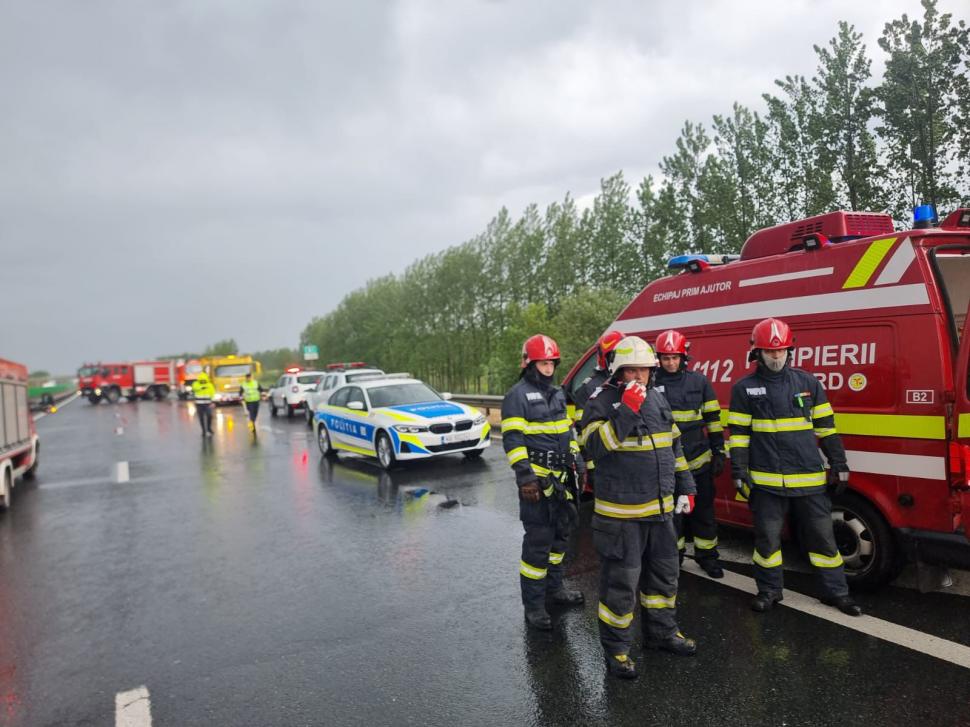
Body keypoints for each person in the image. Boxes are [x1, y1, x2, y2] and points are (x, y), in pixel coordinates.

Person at [578, 335, 697, 679]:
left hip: (660, 512)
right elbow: (596, 448)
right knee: (620, 586)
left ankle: (661, 633)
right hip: (622, 516)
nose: (638, 377)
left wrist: (686, 486)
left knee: (664, 577)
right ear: (618, 371)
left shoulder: (658, 399)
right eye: (631, 370)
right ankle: (616, 651)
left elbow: (674, 446)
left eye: (643, 370)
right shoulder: (600, 401)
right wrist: (627, 410)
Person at [728, 317, 861, 616]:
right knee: (767, 541)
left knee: (824, 539)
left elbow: (826, 428)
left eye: (781, 351)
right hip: (766, 483)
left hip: (809, 480)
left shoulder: (808, 383)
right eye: (770, 352)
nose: (776, 357)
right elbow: (738, 436)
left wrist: (839, 463)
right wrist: (739, 472)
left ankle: (837, 593)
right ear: (757, 353)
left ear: (791, 350)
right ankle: (770, 591)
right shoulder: (744, 389)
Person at [501, 334, 586, 632]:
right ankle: (534, 607)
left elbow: (568, 433)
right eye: (542, 362)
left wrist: (577, 460)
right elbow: (512, 440)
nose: (548, 367)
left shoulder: (559, 394)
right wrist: (525, 477)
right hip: (536, 484)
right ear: (528, 363)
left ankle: (555, 590)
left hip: (562, 482)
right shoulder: (517, 395)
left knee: (559, 541)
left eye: (551, 362)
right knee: (537, 547)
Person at [653, 329, 726, 578]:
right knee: (673, 517)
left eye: (675, 357)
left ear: (684, 357)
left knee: (704, 512)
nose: (670, 362)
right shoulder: (652, 385)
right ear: (659, 359)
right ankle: (675, 558)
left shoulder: (699, 382)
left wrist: (719, 450)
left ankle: (708, 557)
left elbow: (713, 419)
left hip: (698, 461)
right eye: (666, 358)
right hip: (668, 464)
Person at [192, 371, 215, 437]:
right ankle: (204, 431)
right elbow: (194, 389)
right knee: (201, 418)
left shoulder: (209, 385)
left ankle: (208, 428)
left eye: (204, 380)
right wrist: (201, 387)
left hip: (208, 404)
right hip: (199, 404)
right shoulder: (196, 384)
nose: (203, 382)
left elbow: (212, 393)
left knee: (209, 416)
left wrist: (213, 402)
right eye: (201, 380)